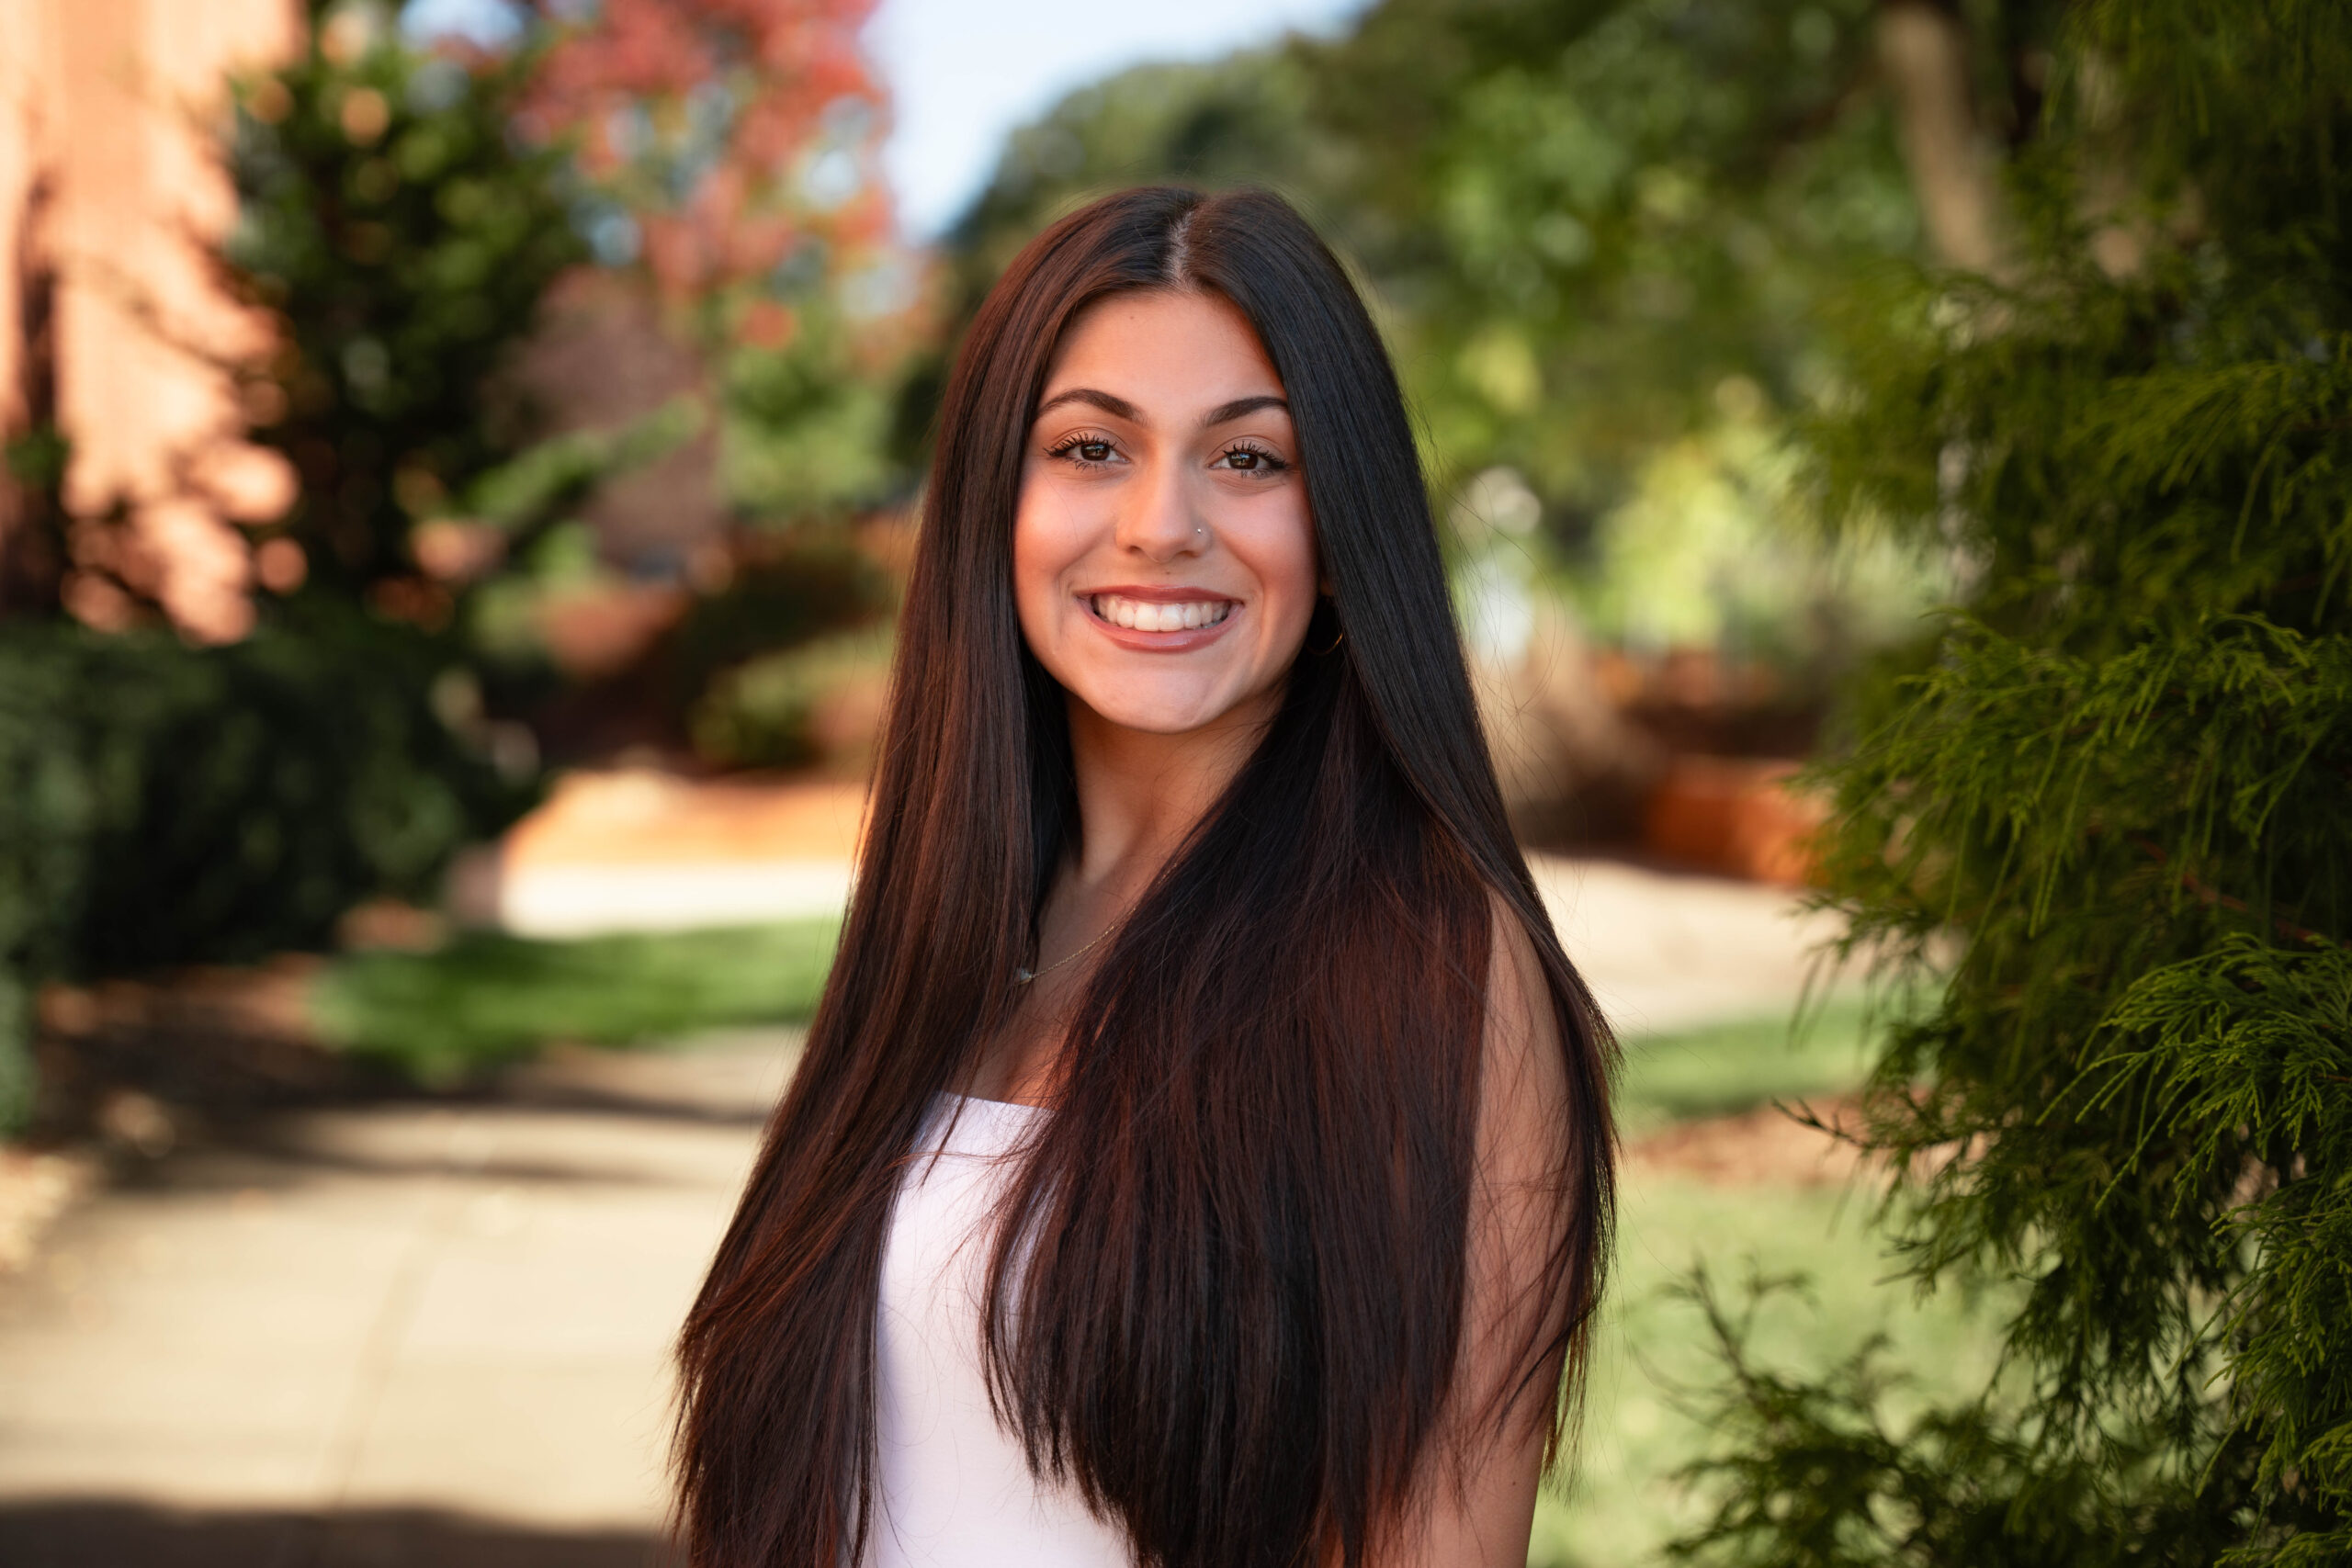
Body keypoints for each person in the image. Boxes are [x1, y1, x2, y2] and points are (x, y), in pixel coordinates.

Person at [674, 186, 1616, 1568]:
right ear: (999, 504)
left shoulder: (1427, 969)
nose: (1159, 524)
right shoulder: (953, 928)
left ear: (1346, 535)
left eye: (1249, 462)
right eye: (1092, 447)